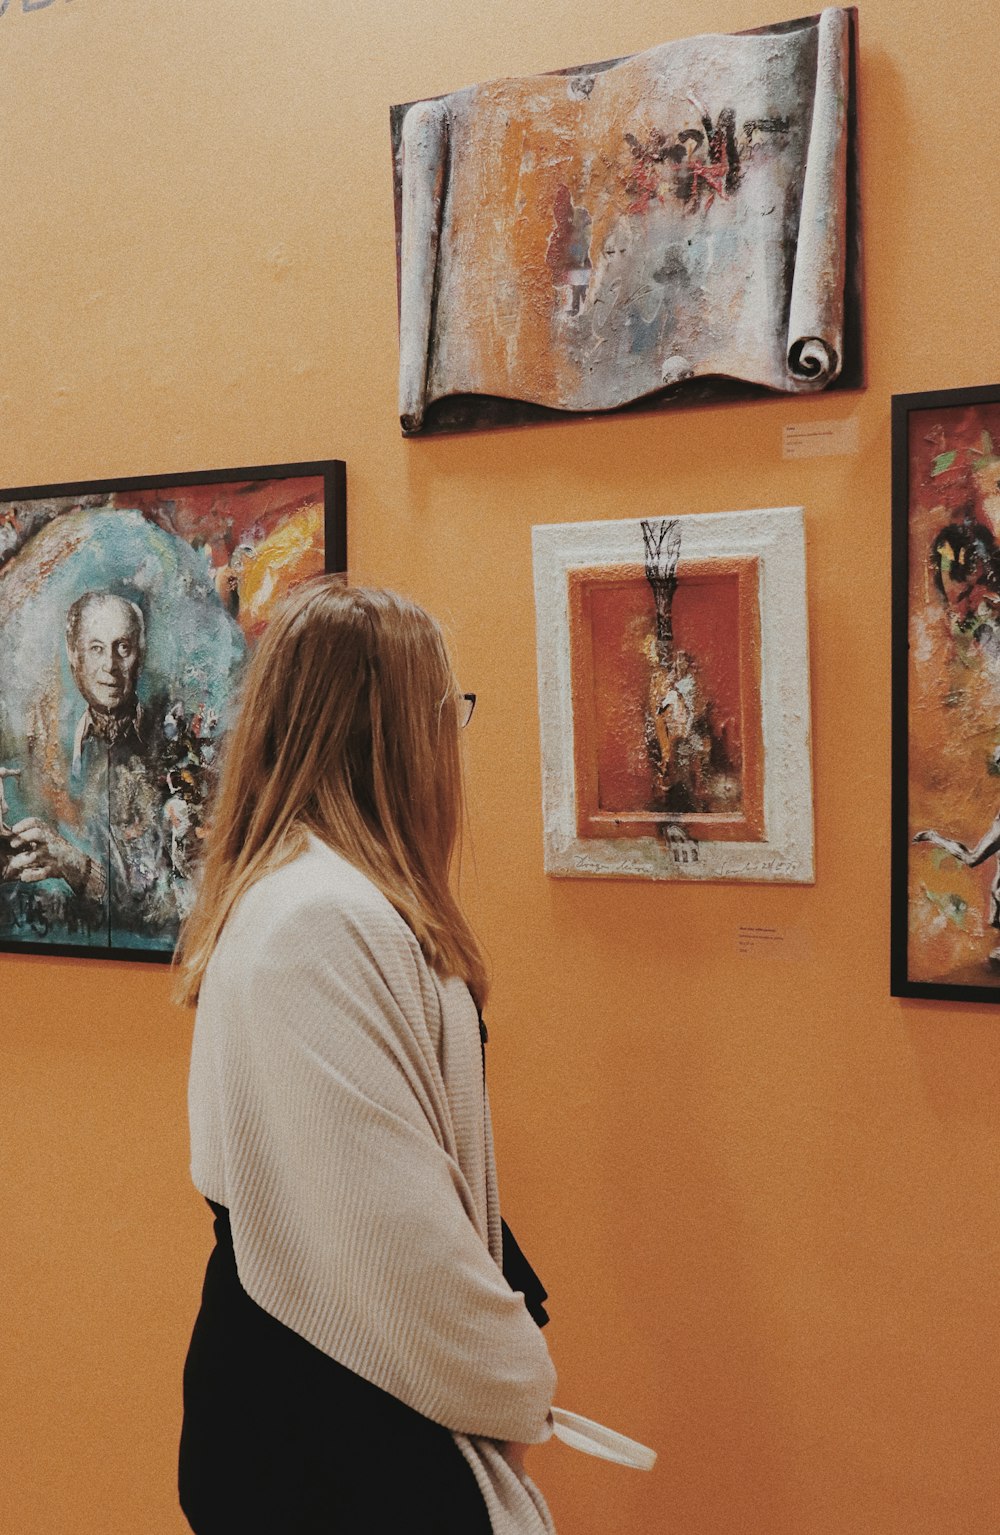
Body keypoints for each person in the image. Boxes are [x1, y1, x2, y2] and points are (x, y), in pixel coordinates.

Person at [174, 579, 558, 1535]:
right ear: (392, 730)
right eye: (448, 713)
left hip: (327, 1394)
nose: (455, 745)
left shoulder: (326, 904)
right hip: (327, 1423)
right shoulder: (315, 920)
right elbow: (379, 1222)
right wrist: (512, 1372)